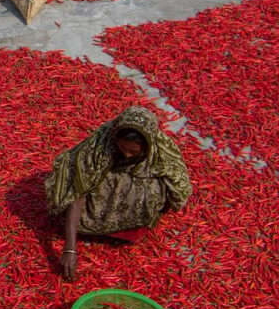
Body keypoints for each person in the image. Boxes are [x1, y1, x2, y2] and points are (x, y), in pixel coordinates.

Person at [44, 106, 192, 281]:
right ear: (115, 138)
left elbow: (178, 185)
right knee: (77, 179)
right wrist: (70, 248)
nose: (127, 154)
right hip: (101, 192)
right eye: (122, 147)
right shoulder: (97, 148)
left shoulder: (161, 152)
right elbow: (76, 192)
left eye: (134, 152)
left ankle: (129, 229)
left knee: (153, 190)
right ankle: (93, 229)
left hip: (135, 189)